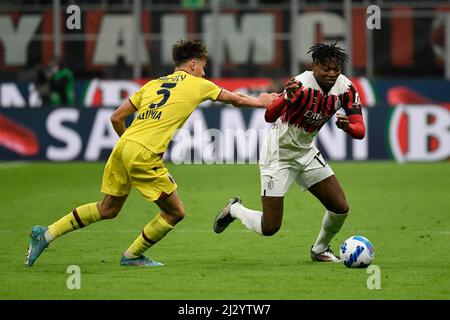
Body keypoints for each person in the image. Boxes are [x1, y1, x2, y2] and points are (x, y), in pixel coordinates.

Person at [26, 39, 277, 267]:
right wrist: (262, 101)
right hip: (144, 153)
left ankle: (46, 234)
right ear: (191, 65)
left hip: (124, 146)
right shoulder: (198, 84)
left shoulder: (153, 84)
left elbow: (116, 117)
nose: (204, 71)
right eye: (202, 66)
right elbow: (236, 99)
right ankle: (132, 256)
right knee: (175, 212)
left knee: (108, 209)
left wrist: (129, 144)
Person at [213, 43, 366, 262]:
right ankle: (235, 209)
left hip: (306, 152)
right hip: (278, 153)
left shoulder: (346, 88)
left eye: (336, 69)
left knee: (340, 208)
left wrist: (347, 127)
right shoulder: (301, 84)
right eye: (326, 69)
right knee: (270, 227)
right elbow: (269, 117)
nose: (332, 74)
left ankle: (320, 250)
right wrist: (286, 98)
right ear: (314, 66)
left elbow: (360, 131)